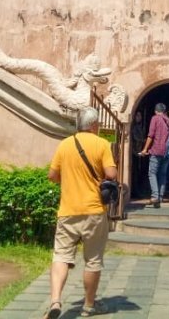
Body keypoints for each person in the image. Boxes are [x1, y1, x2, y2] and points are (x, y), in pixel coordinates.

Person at [45, 106, 118, 318]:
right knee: (93, 260)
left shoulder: (65, 144)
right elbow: (111, 174)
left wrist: (67, 178)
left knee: (60, 256)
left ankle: (56, 300)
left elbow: (52, 175)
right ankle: (88, 305)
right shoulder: (102, 144)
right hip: (94, 210)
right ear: (94, 125)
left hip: (68, 209)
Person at [138, 102, 169, 207]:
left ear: (155, 111)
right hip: (167, 151)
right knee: (162, 174)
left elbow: (151, 135)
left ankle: (155, 196)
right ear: (165, 111)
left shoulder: (155, 118)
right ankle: (160, 197)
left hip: (157, 149)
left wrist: (145, 149)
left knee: (152, 173)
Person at [129, 110, 147, 198]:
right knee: (134, 172)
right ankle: (134, 191)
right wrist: (144, 140)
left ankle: (136, 190)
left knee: (136, 171)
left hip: (137, 151)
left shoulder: (138, 126)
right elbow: (136, 138)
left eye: (140, 116)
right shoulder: (133, 127)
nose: (140, 117)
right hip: (134, 152)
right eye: (138, 115)